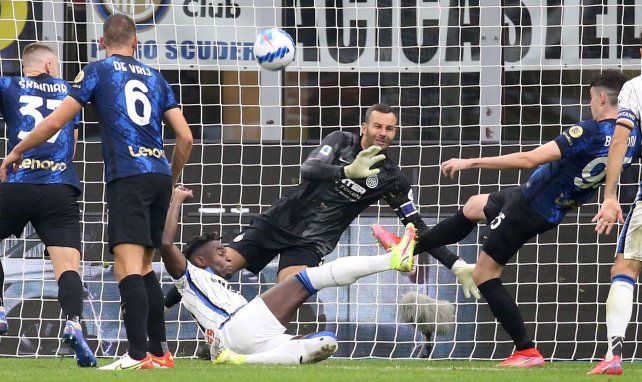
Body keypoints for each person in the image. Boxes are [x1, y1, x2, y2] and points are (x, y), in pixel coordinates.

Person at [373, 70, 640, 367]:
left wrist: (471, 161)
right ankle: (410, 247)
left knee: (484, 274)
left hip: (530, 207)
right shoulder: (631, 138)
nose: (590, 104)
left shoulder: (589, 131)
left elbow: (530, 159)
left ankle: (526, 350)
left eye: (591, 99)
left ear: (602, 98)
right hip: (545, 201)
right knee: (475, 205)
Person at [0, 14, 193, 370]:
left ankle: (137, 356)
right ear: (137, 42)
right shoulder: (156, 77)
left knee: (127, 266)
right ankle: (161, 353)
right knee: (147, 266)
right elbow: (186, 136)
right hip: (157, 175)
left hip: (127, 175)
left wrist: (17, 150)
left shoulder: (97, 71)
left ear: (102, 43)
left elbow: (57, 121)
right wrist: (170, 176)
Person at [165, 103, 477, 305]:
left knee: (284, 292)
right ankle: (163, 306)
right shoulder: (339, 141)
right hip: (277, 223)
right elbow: (308, 169)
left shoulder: (392, 178)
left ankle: (247, 338)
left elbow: (417, 228)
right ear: (364, 127)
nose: (383, 133)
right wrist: (346, 172)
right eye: (377, 126)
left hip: (313, 242)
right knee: (218, 268)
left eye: (389, 128)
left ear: (395, 132)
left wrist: (456, 263)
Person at [161, 185, 418, 364]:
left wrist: (163, 305)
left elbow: (179, 295)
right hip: (234, 327)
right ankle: (391, 259)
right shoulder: (189, 274)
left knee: (325, 343)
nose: (227, 255)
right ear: (199, 260)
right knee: (305, 280)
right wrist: (177, 200)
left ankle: (242, 361)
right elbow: (165, 244)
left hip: (242, 342)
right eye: (219, 252)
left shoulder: (211, 284)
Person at [0, 42, 96, 367]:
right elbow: (74, 147)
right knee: (68, 265)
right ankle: (73, 322)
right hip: (59, 187)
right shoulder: (71, 91)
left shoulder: (8, 83)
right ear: (51, 65)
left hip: (16, 182)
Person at [590, 37, 642, 376]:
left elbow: (620, 137)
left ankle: (613, 354)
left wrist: (610, 195)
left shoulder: (635, 88)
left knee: (625, 268)